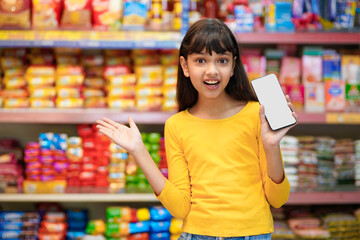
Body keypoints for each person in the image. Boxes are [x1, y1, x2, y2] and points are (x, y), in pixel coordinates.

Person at [96, 18, 298, 240]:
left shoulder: (256, 114)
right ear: (185, 66)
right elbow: (180, 208)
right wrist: (138, 151)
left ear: (233, 66)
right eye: (201, 60)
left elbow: (277, 199)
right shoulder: (177, 126)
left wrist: (271, 146)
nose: (212, 71)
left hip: (254, 234)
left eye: (222, 61)